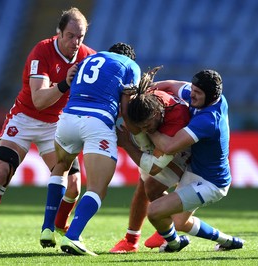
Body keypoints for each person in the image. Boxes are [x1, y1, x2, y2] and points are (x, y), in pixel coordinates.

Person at [0, 7, 96, 256]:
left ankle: (61, 227)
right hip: (24, 118)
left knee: (74, 184)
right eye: (71, 35)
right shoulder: (41, 51)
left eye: (81, 36)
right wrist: (65, 84)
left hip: (55, 124)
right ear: (59, 33)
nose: (76, 42)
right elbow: (39, 100)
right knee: (1, 172)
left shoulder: (88, 57)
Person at [51, 42, 141, 256]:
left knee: (62, 167)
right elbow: (127, 103)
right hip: (97, 122)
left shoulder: (88, 59)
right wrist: (131, 128)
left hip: (67, 118)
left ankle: (48, 226)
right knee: (96, 188)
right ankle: (72, 237)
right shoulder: (130, 66)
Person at [145, 69, 245, 252]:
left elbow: (169, 147)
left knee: (155, 212)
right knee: (178, 220)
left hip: (211, 183)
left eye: (197, 92)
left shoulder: (209, 120)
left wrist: (148, 127)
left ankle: (173, 244)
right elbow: (169, 84)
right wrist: (145, 92)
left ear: (211, 96)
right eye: (193, 89)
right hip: (194, 169)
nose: (192, 94)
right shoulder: (202, 96)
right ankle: (228, 241)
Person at [109, 67, 191, 253]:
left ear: (156, 115)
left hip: (185, 148)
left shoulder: (176, 121)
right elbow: (172, 84)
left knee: (151, 187)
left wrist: (127, 145)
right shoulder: (147, 99)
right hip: (164, 137)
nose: (145, 130)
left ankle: (165, 225)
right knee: (143, 185)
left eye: (147, 126)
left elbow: (154, 167)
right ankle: (133, 240)